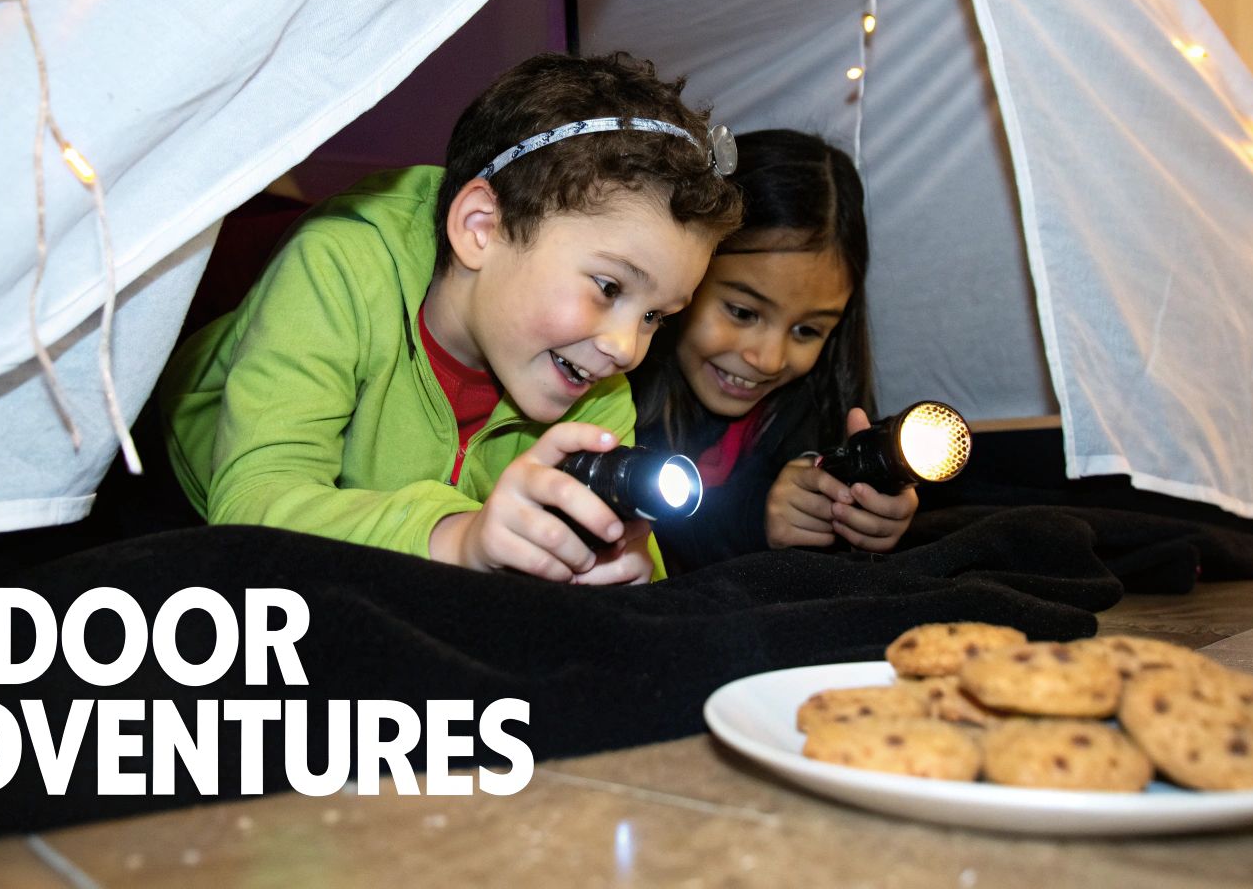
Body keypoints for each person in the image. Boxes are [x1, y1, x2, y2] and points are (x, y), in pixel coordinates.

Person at [156, 52, 743, 584]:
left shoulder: (593, 379)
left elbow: (624, 559)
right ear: (482, 229)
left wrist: (629, 572)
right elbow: (253, 506)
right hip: (176, 497)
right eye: (608, 287)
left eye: (656, 318)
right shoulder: (340, 263)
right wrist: (460, 536)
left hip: (396, 556)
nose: (625, 347)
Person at [630, 129, 917, 575]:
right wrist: (756, 520)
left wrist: (862, 513)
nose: (768, 359)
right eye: (743, 312)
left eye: (806, 329)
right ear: (685, 271)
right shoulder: (606, 390)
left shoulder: (810, 402)